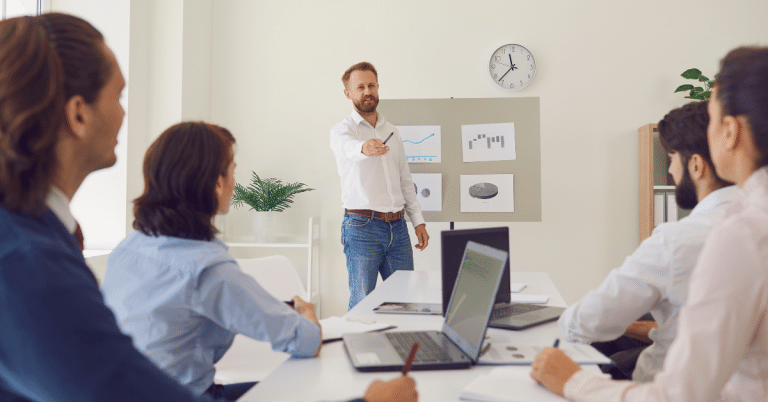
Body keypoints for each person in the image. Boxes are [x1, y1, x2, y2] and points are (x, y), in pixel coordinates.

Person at [0, 12, 415, 402]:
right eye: (120, 95)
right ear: (77, 114)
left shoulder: (54, 239)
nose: (125, 112)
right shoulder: (30, 262)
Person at [531, 46, 768, 401]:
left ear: (730, 132)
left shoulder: (739, 235)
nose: (671, 169)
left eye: (714, 117)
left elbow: (680, 397)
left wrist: (571, 382)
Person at [101, 122, 321, 400]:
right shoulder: (207, 271)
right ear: (217, 183)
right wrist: (308, 314)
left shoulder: (129, 248)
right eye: (232, 171)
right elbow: (306, 341)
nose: (233, 182)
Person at [558, 101, 736, 381]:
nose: (670, 171)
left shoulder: (677, 241)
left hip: (661, 385)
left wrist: (562, 319)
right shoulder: (754, 226)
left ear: (697, 165)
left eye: (672, 157)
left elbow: (583, 324)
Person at [330, 61, 429, 309]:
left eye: (371, 85)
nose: (367, 92)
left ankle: (401, 347)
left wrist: (418, 221)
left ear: (378, 88)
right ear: (348, 93)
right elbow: (348, 148)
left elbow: (405, 179)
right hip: (362, 228)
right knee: (363, 302)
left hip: (398, 227)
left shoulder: (392, 131)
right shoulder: (342, 131)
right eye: (360, 87)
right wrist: (364, 147)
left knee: (405, 301)